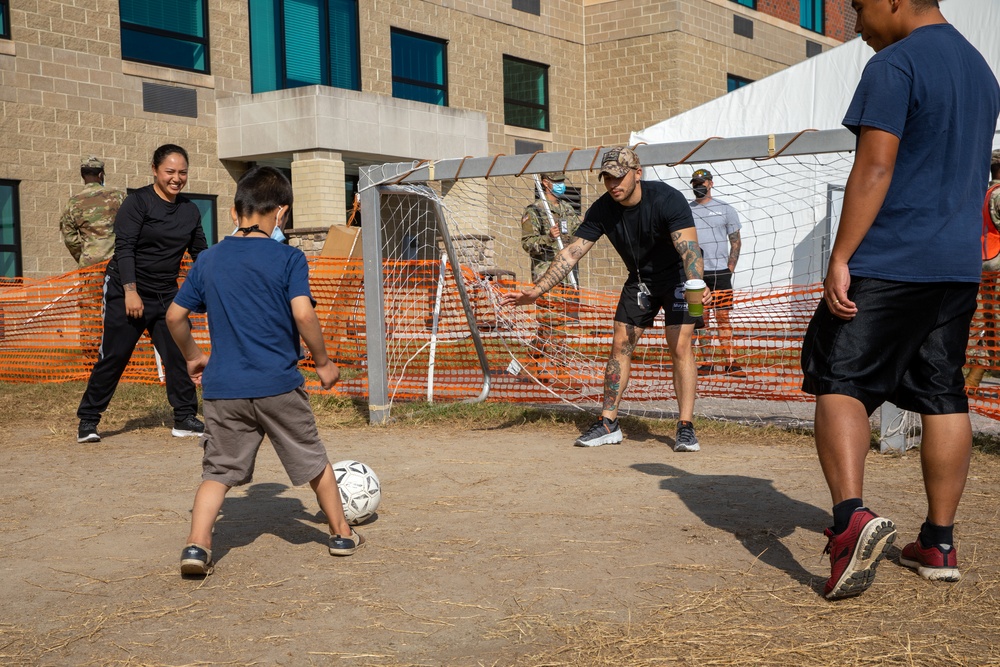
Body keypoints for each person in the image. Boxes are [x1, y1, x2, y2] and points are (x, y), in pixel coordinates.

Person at [800, 0, 1000, 600]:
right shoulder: (980, 70)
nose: (857, 24)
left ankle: (851, 522)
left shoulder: (896, 65)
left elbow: (875, 168)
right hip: (956, 269)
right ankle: (938, 542)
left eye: (859, 8)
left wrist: (840, 258)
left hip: (890, 261)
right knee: (943, 393)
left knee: (840, 381)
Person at [165, 165, 364, 576]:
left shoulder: (208, 259)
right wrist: (323, 363)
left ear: (235, 213)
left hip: (224, 388)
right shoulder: (288, 257)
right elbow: (303, 313)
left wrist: (193, 355)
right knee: (313, 461)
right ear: (282, 213)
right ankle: (341, 533)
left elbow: (174, 316)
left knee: (218, 471)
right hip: (278, 384)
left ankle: (197, 546)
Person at [501, 147, 709, 451]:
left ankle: (686, 427)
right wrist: (538, 289)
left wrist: (695, 280)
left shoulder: (667, 198)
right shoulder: (602, 209)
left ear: (638, 174)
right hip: (639, 280)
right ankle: (609, 423)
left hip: (678, 277)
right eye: (607, 178)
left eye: (619, 176)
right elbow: (571, 252)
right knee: (619, 344)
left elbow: (689, 247)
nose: (613, 184)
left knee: (679, 346)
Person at [75, 144, 208, 444]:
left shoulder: (189, 210)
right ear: (155, 170)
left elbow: (200, 252)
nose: (177, 178)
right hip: (128, 290)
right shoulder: (137, 203)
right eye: (170, 172)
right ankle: (88, 419)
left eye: (182, 172)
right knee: (115, 356)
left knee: (177, 353)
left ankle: (185, 417)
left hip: (166, 294)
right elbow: (125, 249)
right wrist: (130, 292)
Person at [520, 172, 583, 356]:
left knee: (554, 325)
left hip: (565, 273)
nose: (560, 185)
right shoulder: (535, 210)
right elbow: (527, 243)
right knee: (551, 324)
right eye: (556, 182)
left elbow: (576, 237)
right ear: (546, 183)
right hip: (546, 274)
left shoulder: (568, 210)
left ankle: (530, 362)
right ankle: (558, 370)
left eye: (562, 181)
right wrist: (548, 238)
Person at [688, 168, 743, 375]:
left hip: (720, 273)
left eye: (702, 183)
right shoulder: (687, 210)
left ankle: (730, 362)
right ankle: (707, 362)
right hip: (697, 274)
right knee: (701, 319)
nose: (698, 187)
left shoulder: (725, 209)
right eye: (695, 184)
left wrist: (730, 269)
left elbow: (735, 241)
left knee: (723, 318)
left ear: (711, 183)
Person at [966, 149, 1000, 388]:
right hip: (998, 264)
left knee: (985, 321)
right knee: (994, 322)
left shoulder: (982, 192)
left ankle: (972, 380)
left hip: (981, 261)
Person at [60, 156, 126, 268]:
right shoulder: (119, 197)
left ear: (82, 176)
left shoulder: (73, 202)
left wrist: (83, 257)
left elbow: (69, 238)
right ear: (100, 175)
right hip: (117, 263)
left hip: (90, 266)